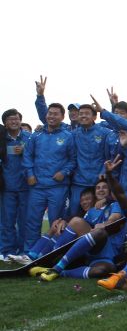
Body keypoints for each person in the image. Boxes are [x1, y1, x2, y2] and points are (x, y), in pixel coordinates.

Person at [23, 102, 76, 252]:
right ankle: (29, 252)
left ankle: (50, 252)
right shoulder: (36, 135)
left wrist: (63, 172)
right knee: (32, 221)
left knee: (56, 221)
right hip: (37, 186)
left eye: (55, 114)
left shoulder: (68, 136)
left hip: (57, 187)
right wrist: (30, 174)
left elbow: (73, 160)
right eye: (49, 113)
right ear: (46, 115)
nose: (51, 116)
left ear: (62, 117)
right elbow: (27, 156)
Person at [1, 109, 31, 256]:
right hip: (7, 187)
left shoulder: (29, 138)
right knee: (7, 222)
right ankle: (7, 251)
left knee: (25, 221)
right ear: (5, 123)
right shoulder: (1, 138)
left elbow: (38, 156)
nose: (14, 121)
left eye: (16, 119)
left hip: (26, 186)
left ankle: (23, 250)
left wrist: (25, 150)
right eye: (10, 119)